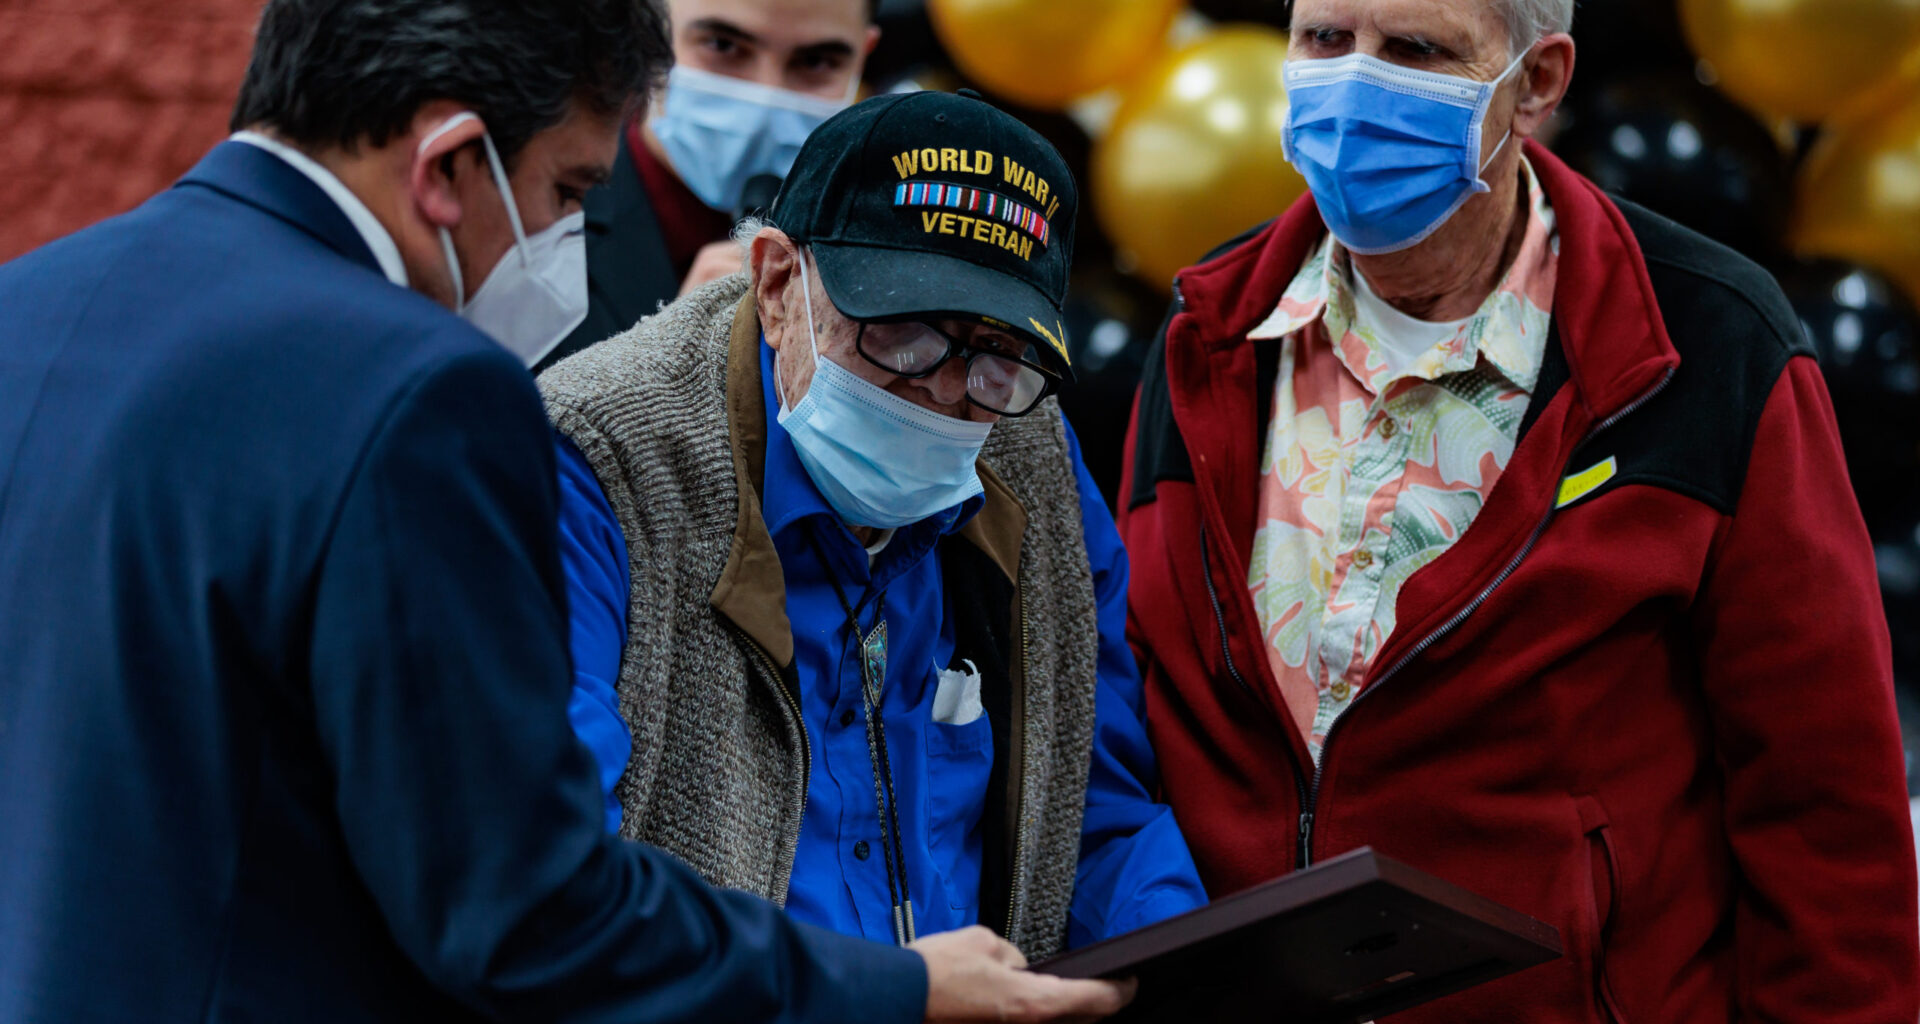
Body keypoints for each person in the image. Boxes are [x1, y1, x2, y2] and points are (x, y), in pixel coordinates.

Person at [0, 2, 1131, 1021]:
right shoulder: (421, 391)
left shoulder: (27, 303)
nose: (567, 246)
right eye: (569, 194)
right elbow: (524, 905)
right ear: (449, 163)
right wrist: (901, 989)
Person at [1118, 0, 1920, 1021]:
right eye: (1325, 39)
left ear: (1537, 81)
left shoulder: (1708, 344)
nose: (1354, 86)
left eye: (1415, 50)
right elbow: (1130, 712)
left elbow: (1826, 815)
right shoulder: (1208, 334)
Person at [541, 88, 1209, 960]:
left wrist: (1195, 967)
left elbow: (1096, 808)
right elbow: (558, 876)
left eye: (995, 351)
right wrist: (889, 998)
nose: (942, 390)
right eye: (902, 333)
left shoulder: (1027, 450)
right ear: (778, 284)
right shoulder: (596, 458)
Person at [537, 0, 880, 372]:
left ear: (863, 57)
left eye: (816, 62)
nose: (765, 97)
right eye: (722, 45)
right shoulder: (530, 210)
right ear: (647, 32)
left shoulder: (886, 227)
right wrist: (659, 362)